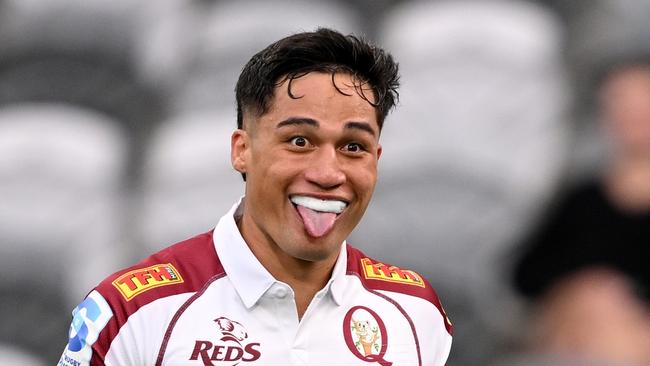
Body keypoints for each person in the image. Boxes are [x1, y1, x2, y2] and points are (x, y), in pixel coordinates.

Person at [58, 28, 453, 366]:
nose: (328, 174)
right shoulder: (131, 311)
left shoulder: (417, 313)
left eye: (353, 147)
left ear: (377, 160)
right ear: (241, 150)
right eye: (300, 141)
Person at [509, 58, 650, 366]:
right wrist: (585, 286)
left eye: (642, 102)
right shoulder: (581, 200)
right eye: (619, 103)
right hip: (576, 333)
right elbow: (524, 274)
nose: (632, 115)